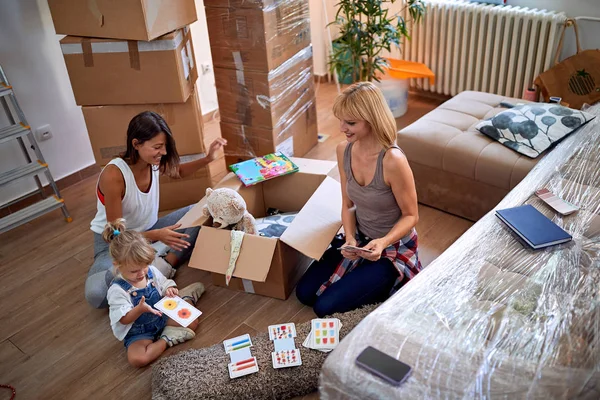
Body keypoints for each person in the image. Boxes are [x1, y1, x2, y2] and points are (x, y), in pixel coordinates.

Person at [296, 82, 422, 318]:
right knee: (304, 293)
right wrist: (351, 238)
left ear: (372, 120)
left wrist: (383, 242)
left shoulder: (393, 160)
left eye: (351, 123)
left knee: (323, 307)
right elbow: (348, 204)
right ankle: (361, 273)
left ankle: (385, 279)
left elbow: (411, 216)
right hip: (359, 240)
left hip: (392, 246)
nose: (342, 127)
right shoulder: (343, 149)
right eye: (341, 120)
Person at [86, 111, 227, 308]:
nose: (163, 152)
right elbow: (117, 236)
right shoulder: (114, 175)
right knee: (96, 294)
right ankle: (153, 267)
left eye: (164, 147)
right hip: (115, 244)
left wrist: (208, 158)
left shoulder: (152, 161)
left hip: (152, 231)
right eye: (157, 147)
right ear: (136, 144)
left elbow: (177, 171)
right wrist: (157, 235)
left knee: (205, 208)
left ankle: (164, 264)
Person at [104, 219, 204, 367]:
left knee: (193, 321)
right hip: (139, 331)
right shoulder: (117, 290)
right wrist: (138, 310)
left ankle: (185, 297)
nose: (141, 274)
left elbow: (164, 284)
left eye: (144, 267)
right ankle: (167, 338)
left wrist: (169, 289)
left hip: (161, 315)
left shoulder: (149, 271)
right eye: (134, 271)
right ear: (117, 265)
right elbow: (123, 319)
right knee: (138, 359)